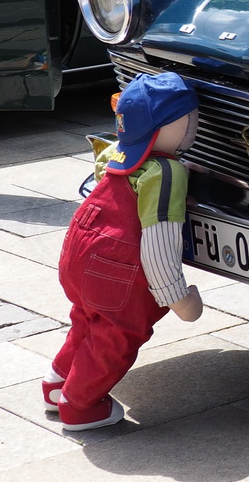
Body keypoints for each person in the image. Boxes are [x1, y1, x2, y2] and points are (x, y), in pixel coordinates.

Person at [44, 72, 204, 431]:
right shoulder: (165, 173)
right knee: (115, 336)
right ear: (175, 124)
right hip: (116, 273)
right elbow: (158, 243)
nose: (194, 127)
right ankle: (80, 405)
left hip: (77, 258)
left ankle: (55, 384)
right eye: (191, 120)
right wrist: (178, 299)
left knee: (86, 320)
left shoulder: (116, 155)